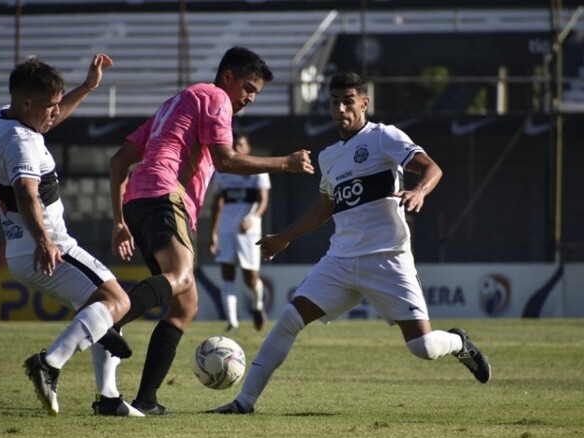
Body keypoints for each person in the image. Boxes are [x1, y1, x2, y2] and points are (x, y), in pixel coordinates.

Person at [208, 71, 492, 415]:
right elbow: (325, 207)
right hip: (340, 260)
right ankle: (244, 403)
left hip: (388, 259)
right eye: (334, 101)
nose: (341, 108)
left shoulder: (384, 137)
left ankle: (459, 342)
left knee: (424, 347)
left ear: (364, 103)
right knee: (287, 319)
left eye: (348, 101)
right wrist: (283, 238)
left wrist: (419, 190)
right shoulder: (329, 156)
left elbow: (431, 168)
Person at [109, 46, 314, 415]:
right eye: (248, 88)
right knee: (182, 277)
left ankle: (146, 401)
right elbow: (226, 159)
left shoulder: (174, 105)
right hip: (163, 195)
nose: (249, 98)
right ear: (228, 77)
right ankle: (110, 319)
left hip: (140, 200)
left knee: (185, 304)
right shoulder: (216, 97)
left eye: (256, 93)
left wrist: (119, 221)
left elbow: (118, 160)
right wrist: (286, 162)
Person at [0, 54, 144, 417]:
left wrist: (87, 87)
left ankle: (109, 399)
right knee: (118, 301)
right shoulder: (20, 142)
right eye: (50, 106)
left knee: (102, 312)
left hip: (23, 248)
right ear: (27, 103)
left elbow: (44, 123)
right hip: (48, 245)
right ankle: (49, 363)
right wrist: (45, 241)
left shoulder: (0, 118)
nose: (55, 112)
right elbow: (26, 193)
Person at [209, 131, 271, 332]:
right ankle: (232, 322)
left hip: (248, 230)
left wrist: (253, 218)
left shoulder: (257, 169)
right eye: (234, 144)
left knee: (250, 278)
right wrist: (214, 233)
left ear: (248, 148)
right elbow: (216, 203)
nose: (237, 148)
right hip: (226, 229)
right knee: (227, 274)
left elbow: (263, 200)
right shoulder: (222, 171)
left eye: (241, 145)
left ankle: (257, 306)